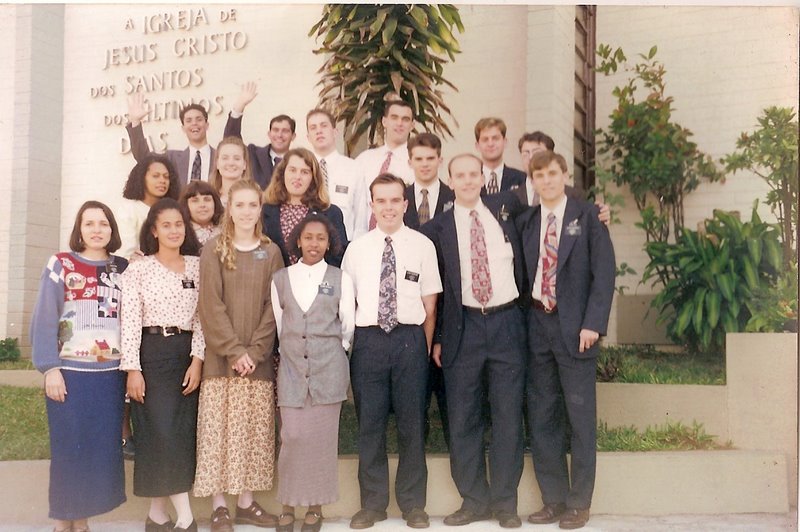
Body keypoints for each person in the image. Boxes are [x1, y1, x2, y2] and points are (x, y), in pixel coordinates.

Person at [420, 154, 528, 529]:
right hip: (462, 327)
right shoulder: (437, 228)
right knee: (463, 417)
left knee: (507, 415)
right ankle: (473, 500)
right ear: (450, 181)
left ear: (483, 178)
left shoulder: (505, 210)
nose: (467, 181)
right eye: (459, 176)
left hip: (507, 323)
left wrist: (597, 209)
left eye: (473, 174)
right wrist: (440, 338)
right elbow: (435, 285)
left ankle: (505, 502)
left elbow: (556, 190)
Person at [517, 151, 615, 530]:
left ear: (564, 175)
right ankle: (554, 499)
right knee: (542, 417)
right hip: (537, 327)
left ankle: (580, 502)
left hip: (577, 331)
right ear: (534, 181)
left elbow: (604, 274)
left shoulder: (588, 216)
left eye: (552, 173)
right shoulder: (528, 222)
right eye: (539, 175)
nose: (547, 180)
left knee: (579, 418)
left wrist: (593, 323)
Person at [342, 173, 442, 530]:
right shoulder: (357, 248)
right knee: (370, 424)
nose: (387, 207)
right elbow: (346, 303)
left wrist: (421, 346)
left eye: (394, 200)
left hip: (409, 340)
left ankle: (413, 504)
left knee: (412, 424)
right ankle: (372, 505)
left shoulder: (422, 245)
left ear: (405, 203)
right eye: (380, 200)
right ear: (371, 205)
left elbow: (430, 305)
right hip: (368, 342)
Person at [30, 201, 128, 532]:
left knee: (96, 453)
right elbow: (45, 317)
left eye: (104, 223)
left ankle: (82, 523)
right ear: (79, 229)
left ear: (112, 230)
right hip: (69, 375)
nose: (97, 229)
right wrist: (50, 368)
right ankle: (62, 523)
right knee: (68, 451)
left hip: (109, 378)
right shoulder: (61, 264)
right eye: (90, 223)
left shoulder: (123, 268)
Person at [195, 179, 284, 532]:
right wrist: (234, 351)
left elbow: (273, 306)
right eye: (240, 204)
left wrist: (255, 351)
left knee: (250, 433)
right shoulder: (214, 249)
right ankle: (219, 506)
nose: (247, 211)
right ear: (229, 209)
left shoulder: (271, 251)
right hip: (222, 361)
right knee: (219, 431)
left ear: (260, 209)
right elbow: (210, 305)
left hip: (257, 361)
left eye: (253, 205)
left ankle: (246, 503)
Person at [120, 198, 204, 532]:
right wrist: (133, 369)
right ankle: (185, 515)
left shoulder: (198, 266)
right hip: (150, 354)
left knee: (178, 435)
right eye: (166, 225)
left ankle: (157, 514)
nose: (173, 230)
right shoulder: (138, 268)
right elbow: (129, 321)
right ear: (153, 230)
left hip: (186, 355)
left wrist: (198, 360)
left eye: (179, 224)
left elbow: (203, 319)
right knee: (159, 431)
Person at [270, 213, 355, 532]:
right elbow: (279, 326)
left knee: (320, 441)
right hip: (292, 371)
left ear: (328, 242)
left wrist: (328, 352)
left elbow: (346, 326)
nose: (314, 243)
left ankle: (315, 507)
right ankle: (287, 504)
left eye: (321, 238)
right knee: (291, 437)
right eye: (308, 237)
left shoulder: (340, 277)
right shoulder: (281, 278)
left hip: (328, 370)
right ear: (298, 241)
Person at [403, 132, 454, 450]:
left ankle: (453, 451)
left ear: (440, 160)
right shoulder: (399, 197)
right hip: (410, 302)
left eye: (430, 158)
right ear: (410, 161)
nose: (424, 164)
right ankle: (417, 449)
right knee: (415, 392)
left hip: (448, 302)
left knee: (447, 386)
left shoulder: (454, 196)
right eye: (418, 158)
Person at [262, 147, 348, 267]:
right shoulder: (264, 211)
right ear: (282, 174)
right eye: (292, 170)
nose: (297, 177)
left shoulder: (331, 213)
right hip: (275, 283)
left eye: (305, 172)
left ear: (313, 178)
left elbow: (338, 256)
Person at [306, 108, 368, 241]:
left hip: (343, 245)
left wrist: (355, 249)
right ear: (308, 137)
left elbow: (361, 216)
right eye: (313, 127)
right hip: (310, 245)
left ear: (335, 132)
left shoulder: (354, 168)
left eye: (324, 125)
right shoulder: (303, 169)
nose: (319, 131)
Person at [126, 93, 216, 183]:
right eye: (189, 120)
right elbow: (144, 158)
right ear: (183, 128)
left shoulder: (220, 157)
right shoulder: (172, 158)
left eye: (199, 119)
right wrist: (135, 122)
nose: (194, 123)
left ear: (207, 125)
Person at [224, 81, 296, 189]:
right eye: (275, 130)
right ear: (269, 134)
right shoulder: (253, 155)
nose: (279, 135)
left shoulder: (298, 160)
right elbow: (231, 142)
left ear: (293, 136)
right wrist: (240, 106)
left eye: (285, 131)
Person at [117, 154, 181, 260]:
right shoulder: (129, 209)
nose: (162, 180)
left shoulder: (174, 210)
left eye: (166, 177)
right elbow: (126, 252)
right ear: (142, 178)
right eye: (156, 176)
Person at [356, 98, 416, 187]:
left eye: (405, 119)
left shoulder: (417, 164)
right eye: (394, 118)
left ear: (412, 125)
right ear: (384, 121)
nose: (399, 123)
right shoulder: (364, 159)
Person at [474, 117, 526, 195]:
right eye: (485, 139)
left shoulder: (522, 179)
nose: (490, 144)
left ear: (505, 142)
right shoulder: (470, 181)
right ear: (477, 146)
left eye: (495, 138)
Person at [210, 136, 254, 205]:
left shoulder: (254, 197)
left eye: (237, 158)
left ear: (245, 164)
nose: (231, 163)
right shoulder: (209, 198)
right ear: (217, 164)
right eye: (225, 158)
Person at [179, 180, 224, 247]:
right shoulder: (180, 233)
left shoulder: (227, 230)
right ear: (186, 205)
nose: (202, 205)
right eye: (195, 201)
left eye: (207, 200)